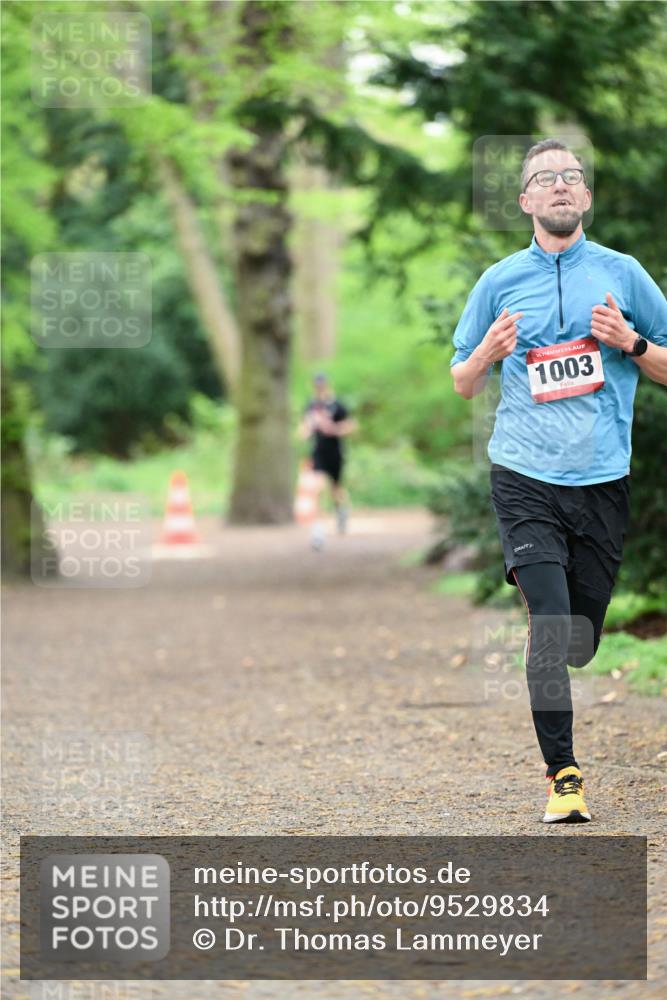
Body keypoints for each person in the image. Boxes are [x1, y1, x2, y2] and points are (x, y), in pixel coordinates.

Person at [450, 138, 667, 823]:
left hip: (601, 478)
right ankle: (563, 775)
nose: (560, 186)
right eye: (545, 179)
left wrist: (629, 343)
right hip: (523, 474)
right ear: (525, 201)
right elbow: (461, 379)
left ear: (586, 197)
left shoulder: (623, 275)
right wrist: (487, 350)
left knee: (577, 640)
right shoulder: (498, 281)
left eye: (571, 177)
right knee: (549, 628)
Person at [298, 373, 358, 549]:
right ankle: (318, 531)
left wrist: (334, 429)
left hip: (335, 452)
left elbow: (351, 425)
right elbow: (303, 429)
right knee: (317, 489)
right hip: (318, 452)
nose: (319, 388)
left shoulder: (337, 405)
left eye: (321, 385)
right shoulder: (311, 406)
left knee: (336, 489)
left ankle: (342, 511)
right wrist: (307, 429)